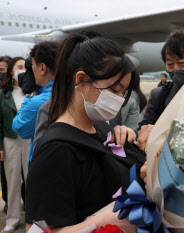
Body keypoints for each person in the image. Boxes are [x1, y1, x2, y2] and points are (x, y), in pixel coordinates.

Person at [25, 34, 142, 232]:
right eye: (114, 90)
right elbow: (37, 229)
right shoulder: (56, 150)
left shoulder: (103, 129)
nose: (119, 99)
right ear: (81, 80)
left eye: (123, 92)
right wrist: (103, 222)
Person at [136, 30, 184, 151]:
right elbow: (142, 131)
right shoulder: (159, 95)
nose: (176, 69)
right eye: (170, 65)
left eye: (182, 63)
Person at [12, 41, 59, 163]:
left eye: (32, 64)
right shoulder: (73, 92)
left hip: (44, 165)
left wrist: (32, 93)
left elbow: (20, 127)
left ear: (42, 68)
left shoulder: (39, 101)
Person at [0, 57, 31, 233]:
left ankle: (33, 217)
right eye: (19, 67)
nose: (23, 70)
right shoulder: (3, 94)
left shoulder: (32, 93)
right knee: (12, 181)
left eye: (25, 67)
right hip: (10, 140)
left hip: (29, 139)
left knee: (31, 179)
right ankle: (12, 219)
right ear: (12, 71)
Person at [0, 55, 11, 214]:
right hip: (3, 139)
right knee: (5, 174)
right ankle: (8, 201)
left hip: (12, 138)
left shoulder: (10, 93)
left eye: (2, 70)